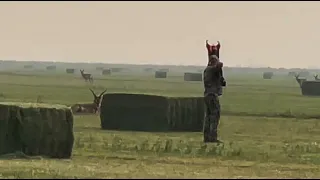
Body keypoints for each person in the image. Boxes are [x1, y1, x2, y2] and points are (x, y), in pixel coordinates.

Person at [203, 55, 223, 143]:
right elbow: (219, 65)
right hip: (212, 95)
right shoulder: (211, 69)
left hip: (207, 95)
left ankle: (207, 137)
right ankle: (212, 137)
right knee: (215, 115)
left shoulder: (207, 70)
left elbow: (221, 82)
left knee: (208, 117)